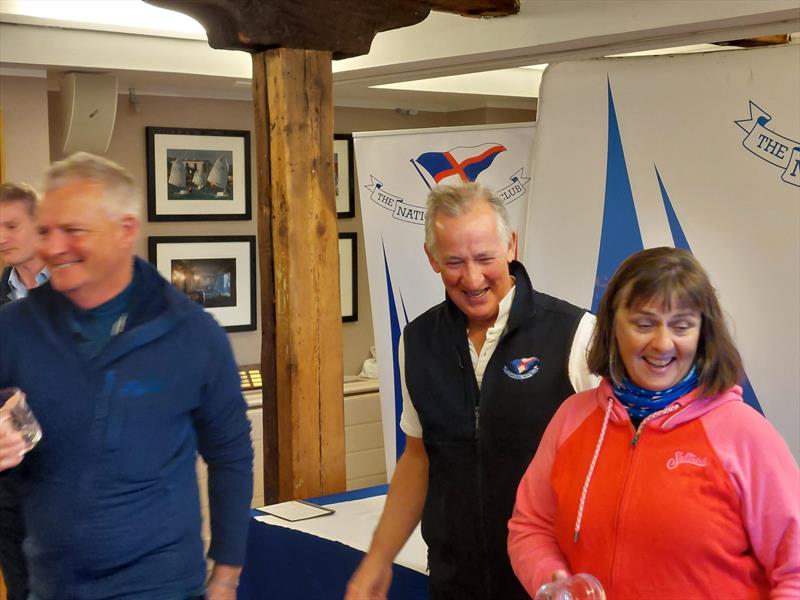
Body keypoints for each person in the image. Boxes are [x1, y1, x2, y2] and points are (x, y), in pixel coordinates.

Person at [0, 153, 254, 600]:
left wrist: (227, 574)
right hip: (50, 585)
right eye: (45, 231)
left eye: (73, 230)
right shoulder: (13, 328)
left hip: (163, 587)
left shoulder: (193, 334)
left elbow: (230, 454)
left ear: (125, 231)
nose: (54, 247)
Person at [346, 182, 598, 599]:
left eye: (485, 258)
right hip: (454, 581)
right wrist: (377, 559)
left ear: (511, 246)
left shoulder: (576, 334)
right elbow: (418, 457)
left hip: (550, 582)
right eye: (454, 262)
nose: (473, 278)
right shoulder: (419, 340)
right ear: (431, 259)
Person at [508, 246, 800, 598]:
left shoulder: (745, 436)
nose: (662, 344)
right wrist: (552, 582)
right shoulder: (573, 418)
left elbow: (794, 570)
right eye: (644, 324)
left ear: (703, 333)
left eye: (681, 326)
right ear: (613, 326)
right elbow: (531, 526)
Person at [0, 182, 49, 600]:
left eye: (11, 225)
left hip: (75, 484)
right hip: (10, 491)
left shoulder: (83, 293)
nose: (0, 237)